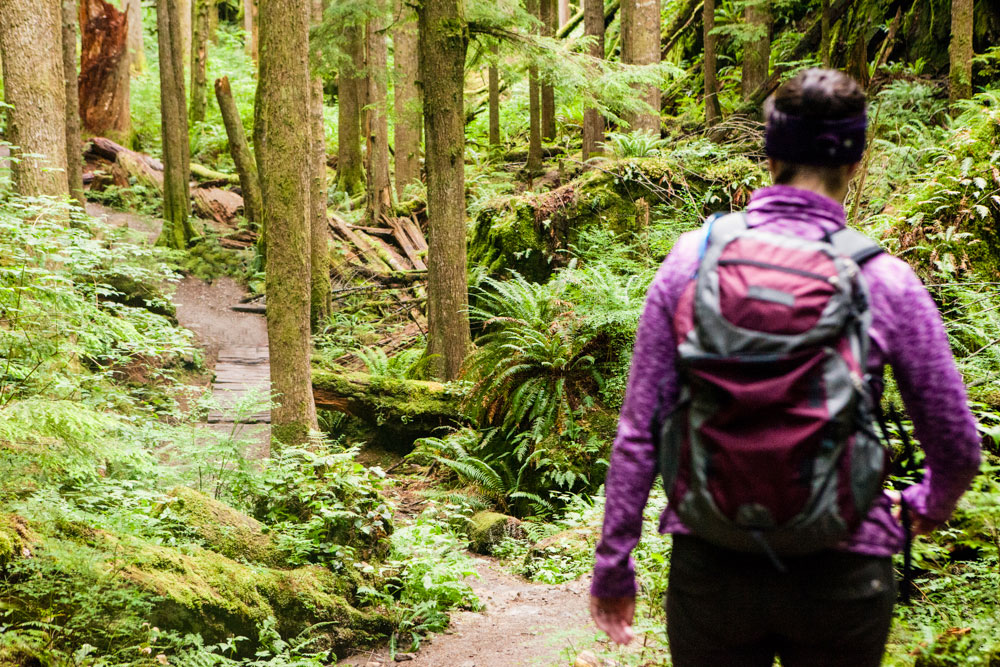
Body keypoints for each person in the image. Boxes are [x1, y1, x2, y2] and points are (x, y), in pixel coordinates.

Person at [589, 68, 982, 666]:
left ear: (768, 154)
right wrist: (921, 509)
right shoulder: (885, 280)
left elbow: (640, 430)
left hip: (712, 569)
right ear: (855, 162)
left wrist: (614, 563)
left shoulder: (690, 262)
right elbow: (956, 444)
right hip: (844, 571)